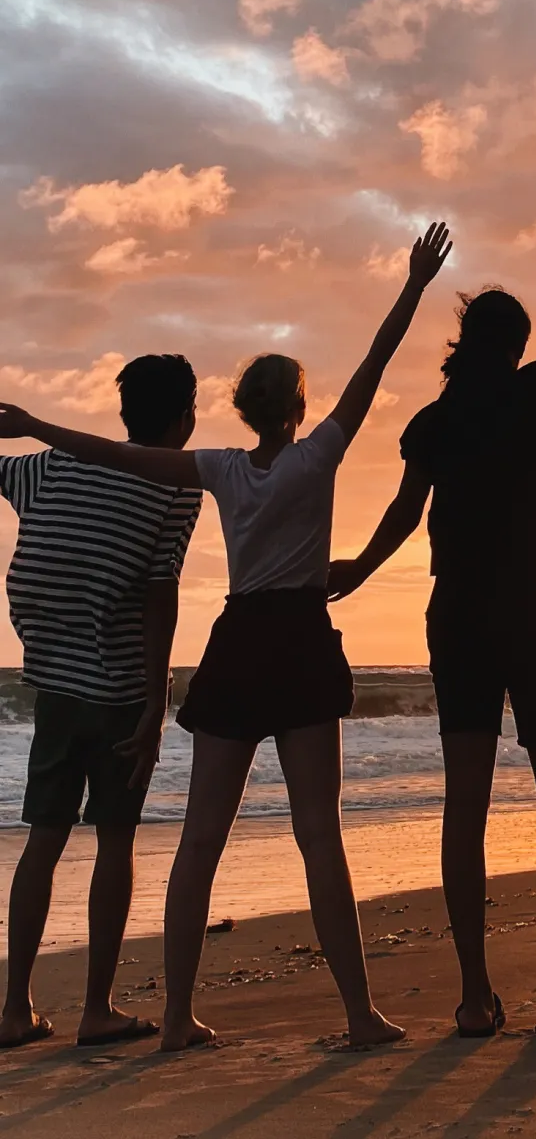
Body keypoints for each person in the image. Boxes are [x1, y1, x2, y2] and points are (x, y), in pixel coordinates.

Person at [0, 222, 453, 1051]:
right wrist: (415, 285)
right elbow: (375, 366)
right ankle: (358, 1015)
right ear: (300, 409)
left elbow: (113, 453)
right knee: (321, 835)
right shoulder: (318, 457)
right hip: (301, 643)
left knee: (201, 840)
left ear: (244, 411)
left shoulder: (216, 468)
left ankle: (175, 1020)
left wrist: (37, 424)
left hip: (237, 644)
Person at [329, 167, 536, 1040]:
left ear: (466, 340)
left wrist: (360, 569)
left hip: (456, 614)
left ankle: (472, 997)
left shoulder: (433, 419)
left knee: (467, 803)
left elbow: (403, 512)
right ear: (519, 342)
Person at [0, 355, 201, 1050]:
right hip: (115, 687)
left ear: (122, 413)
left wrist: (21, 427)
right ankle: (95, 1008)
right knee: (114, 841)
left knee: (44, 839)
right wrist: (156, 701)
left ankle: (13, 1009)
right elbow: (159, 592)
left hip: (53, 682)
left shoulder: (49, 468)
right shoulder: (175, 486)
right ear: (184, 419)